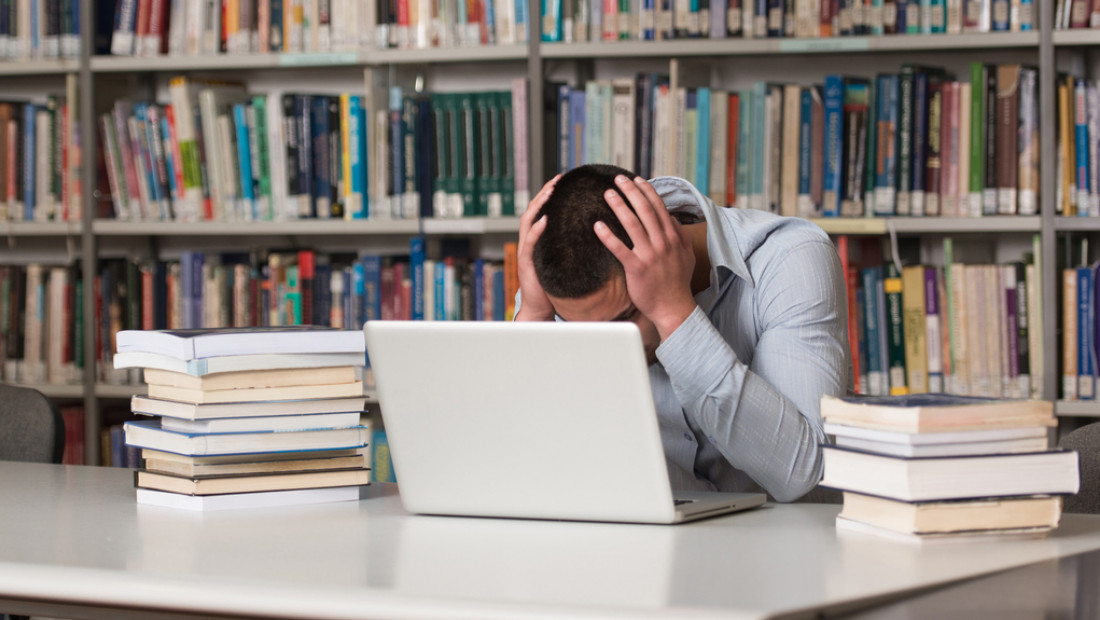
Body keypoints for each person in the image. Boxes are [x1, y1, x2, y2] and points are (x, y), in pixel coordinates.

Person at [515, 164, 851, 502]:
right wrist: (532, 324)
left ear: (671, 245)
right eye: (578, 333)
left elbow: (801, 476)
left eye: (623, 320)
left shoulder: (789, 258)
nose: (607, 351)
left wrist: (674, 313)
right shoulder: (555, 299)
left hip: (789, 545)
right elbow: (521, 476)